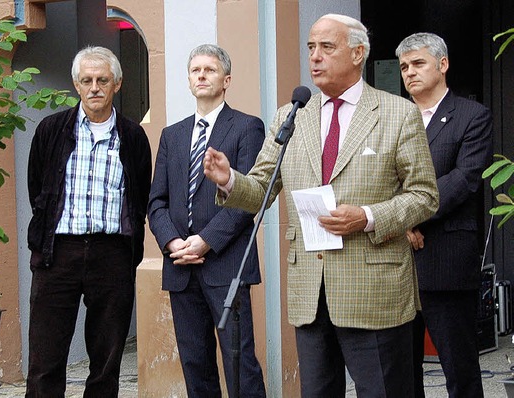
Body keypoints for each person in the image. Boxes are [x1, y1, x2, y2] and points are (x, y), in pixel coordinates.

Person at [204, 14, 440, 397]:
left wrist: (367, 217)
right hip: (310, 291)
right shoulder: (292, 114)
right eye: (311, 47)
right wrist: (229, 179)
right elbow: (263, 185)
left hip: (373, 289)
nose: (314, 57)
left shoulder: (398, 113)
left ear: (358, 53)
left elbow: (424, 195)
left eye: (327, 47)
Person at [25, 45, 152, 397]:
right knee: (45, 359)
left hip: (111, 254)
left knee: (106, 361)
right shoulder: (50, 130)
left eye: (102, 80)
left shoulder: (133, 137)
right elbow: (39, 188)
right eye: (87, 80)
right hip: (57, 254)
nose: (94, 87)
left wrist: (130, 249)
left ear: (118, 84)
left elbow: (139, 194)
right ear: (76, 85)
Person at [147, 44, 266, 398]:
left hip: (225, 263)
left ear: (226, 79)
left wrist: (205, 241)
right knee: (195, 363)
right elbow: (157, 201)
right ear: (188, 81)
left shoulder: (247, 127)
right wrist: (172, 244)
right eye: (195, 70)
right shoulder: (173, 134)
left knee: (239, 361)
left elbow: (248, 198)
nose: (201, 75)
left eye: (210, 70)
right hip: (181, 267)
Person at [396, 32, 493, 398]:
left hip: (446, 258)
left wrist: (408, 216)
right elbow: (378, 180)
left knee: (459, 369)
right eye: (404, 66)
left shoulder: (472, 115)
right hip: (396, 261)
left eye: (418, 63)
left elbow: (464, 180)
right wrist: (401, 223)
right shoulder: (393, 117)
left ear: (443, 64)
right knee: (402, 372)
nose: (409, 73)